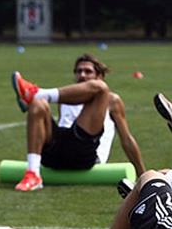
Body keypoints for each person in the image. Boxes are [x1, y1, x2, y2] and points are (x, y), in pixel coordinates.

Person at [11, 54, 144, 191]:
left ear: (99, 76)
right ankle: (33, 174)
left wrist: (142, 175)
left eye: (88, 71)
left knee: (101, 88)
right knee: (38, 104)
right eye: (78, 71)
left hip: (84, 155)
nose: (82, 75)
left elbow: (126, 139)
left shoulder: (112, 100)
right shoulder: (65, 98)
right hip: (55, 154)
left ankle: (35, 94)